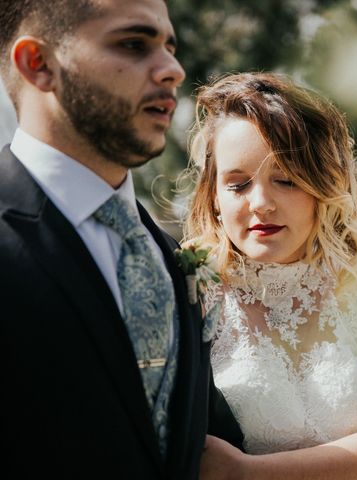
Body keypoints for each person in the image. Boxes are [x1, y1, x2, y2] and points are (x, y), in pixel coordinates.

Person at [0, 1, 240, 478]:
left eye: (170, 47)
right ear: (38, 64)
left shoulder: (173, 257)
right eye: (133, 44)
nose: (173, 69)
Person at [184, 72, 357, 479]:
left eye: (286, 180)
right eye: (238, 184)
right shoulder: (191, 293)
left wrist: (244, 474)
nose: (261, 203)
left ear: (323, 185)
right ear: (213, 197)